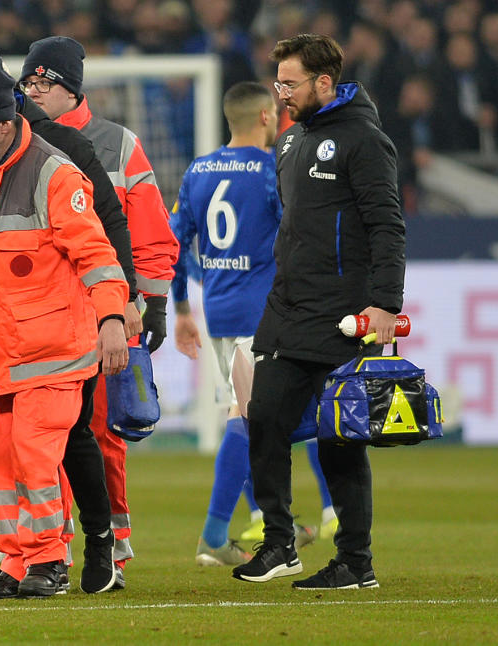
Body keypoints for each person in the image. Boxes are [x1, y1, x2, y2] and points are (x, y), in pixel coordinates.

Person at [0, 54, 142, 595]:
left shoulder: (55, 174)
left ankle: (50, 563)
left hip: (54, 348)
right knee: (3, 467)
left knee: (35, 456)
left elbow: (97, 255)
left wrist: (113, 319)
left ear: (6, 123)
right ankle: (15, 565)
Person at [231, 34, 405, 589]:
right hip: (287, 308)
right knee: (263, 422)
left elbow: (387, 227)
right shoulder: (289, 143)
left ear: (323, 83)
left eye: (290, 83)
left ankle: (356, 561)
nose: (281, 94)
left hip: (343, 314)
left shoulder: (364, 140)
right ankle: (280, 544)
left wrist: (384, 303)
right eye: (278, 83)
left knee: (340, 440)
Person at [20, 35, 180, 588]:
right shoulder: (20, 143)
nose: (34, 92)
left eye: (44, 83)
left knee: (101, 432)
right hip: (47, 308)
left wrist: (151, 302)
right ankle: (47, 547)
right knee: (51, 432)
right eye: (29, 83)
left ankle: (113, 548)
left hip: (107, 305)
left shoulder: (118, 145)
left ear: (71, 88)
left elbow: (150, 230)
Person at [170, 81, 333, 568]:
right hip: (263, 316)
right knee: (258, 419)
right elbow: (297, 238)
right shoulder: (271, 171)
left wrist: (181, 310)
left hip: (219, 313)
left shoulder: (199, 170)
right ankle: (221, 535)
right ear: (268, 117)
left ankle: (271, 524)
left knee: (244, 416)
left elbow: (175, 243)